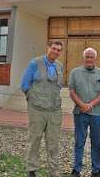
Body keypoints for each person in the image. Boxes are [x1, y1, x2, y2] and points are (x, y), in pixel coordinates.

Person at [21, 41, 64, 177]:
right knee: (35, 139)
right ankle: (32, 169)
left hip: (55, 110)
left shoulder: (59, 66)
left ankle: (54, 171)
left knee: (54, 142)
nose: (56, 52)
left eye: (58, 50)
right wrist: (33, 99)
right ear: (48, 48)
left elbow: (58, 86)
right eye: (54, 48)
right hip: (37, 110)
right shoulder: (35, 63)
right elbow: (25, 85)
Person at [68, 47, 100, 177]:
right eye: (87, 56)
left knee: (96, 142)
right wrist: (82, 105)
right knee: (79, 141)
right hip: (80, 113)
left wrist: (90, 105)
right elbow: (72, 91)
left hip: (97, 114)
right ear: (83, 58)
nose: (89, 59)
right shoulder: (75, 72)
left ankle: (96, 170)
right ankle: (76, 169)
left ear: (95, 58)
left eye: (91, 57)